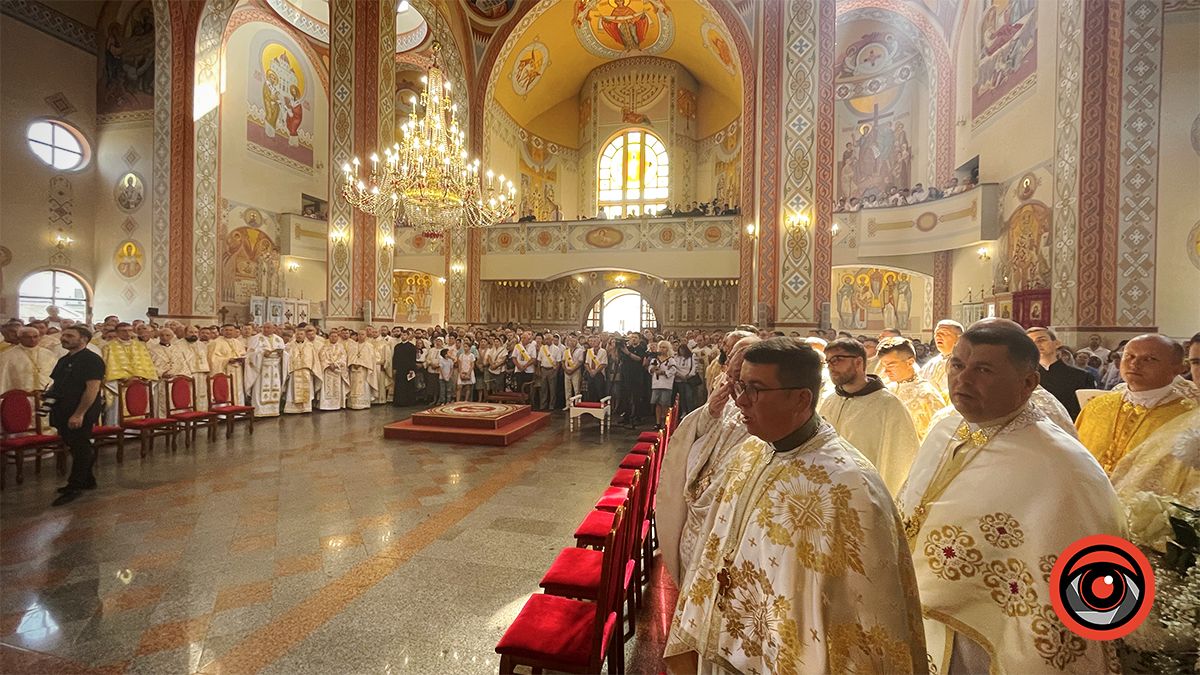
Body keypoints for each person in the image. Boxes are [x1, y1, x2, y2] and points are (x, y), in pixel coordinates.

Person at [664, 338, 927, 674]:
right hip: (724, 646)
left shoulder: (848, 487)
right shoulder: (752, 452)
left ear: (802, 398)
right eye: (740, 386)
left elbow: (867, 620)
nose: (740, 400)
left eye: (755, 390)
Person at [897, 319, 1122, 674]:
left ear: (1028, 382)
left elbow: (1088, 569)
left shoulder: (1063, 465)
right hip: (921, 611)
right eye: (957, 365)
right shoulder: (944, 426)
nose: (962, 379)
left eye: (983, 369)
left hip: (997, 633)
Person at [657, 335, 759, 585]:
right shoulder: (727, 393)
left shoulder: (763, 405)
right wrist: (710, 412)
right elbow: (703, 433)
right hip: (697, 506)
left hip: (725, 517)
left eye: (745, 354)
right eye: (733, 353)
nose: (737, 360)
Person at [1076, 334, 1195, 473]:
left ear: (1178, 368)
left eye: (1149, 359)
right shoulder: (1097, 406)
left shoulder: (1187, 416)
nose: (1134, 364)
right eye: (1129, 356)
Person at [818, 337, 921, 494]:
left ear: (859, 362)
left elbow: (901, 463)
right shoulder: (830, 401)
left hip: (866, 497)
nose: (831, 366)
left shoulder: (888, 405)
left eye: (837, 359)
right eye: (828, 361)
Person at [47, 326, 105, 506]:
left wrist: (79, 414)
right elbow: (57, 384)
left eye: (70, 336)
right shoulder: (65, 359)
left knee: (80, 446)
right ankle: (88, 480)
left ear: (84, 339)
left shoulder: (92, 360)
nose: (64, 338)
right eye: (64, 335)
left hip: (81, 410)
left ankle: (75, 486)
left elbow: (92, 389)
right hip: (63, 409)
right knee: (76, 445)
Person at [877, 336, 944, 440]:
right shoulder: (885, 389)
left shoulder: (927, 395)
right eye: (884, 366)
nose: (886, 371)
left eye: (890, 365)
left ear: (910, 362)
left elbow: (939, 436)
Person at [1027, 326, 1096, 419]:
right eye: (1031, 342)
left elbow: (1089, 410)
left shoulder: (1082, 377)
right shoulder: (1024, 377)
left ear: (1056, 343)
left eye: (1041, 340)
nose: (1036, 345)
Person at [244, 323, 286, 417]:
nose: (266, 329)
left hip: (275, 368)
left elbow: (285, 353)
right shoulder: (256, 338)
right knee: (260, 389)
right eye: (264, 327)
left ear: (274, 329)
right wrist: (262, 354)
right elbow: (250, 354)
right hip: (261, 368)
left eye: (268, 327)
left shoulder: (279, 339)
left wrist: (282, 354)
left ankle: (274, 410)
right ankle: (260, 411)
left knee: (275, 388)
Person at [0, 326, 56, 393]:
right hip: (20, 396)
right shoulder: (7, 355)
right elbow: (3, 379)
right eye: (28, 337)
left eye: (35, 336)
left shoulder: (49, 354)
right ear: (19, 338)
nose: (32, 339)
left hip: (46, 394)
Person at [920, 319, 963, 401]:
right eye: (936, 333)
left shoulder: (965, 362)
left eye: (944, 333)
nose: (938, 337)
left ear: (959, 338)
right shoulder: (931, 364)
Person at [207, 324, 248, 407]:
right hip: (225, 370)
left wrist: (242, 358)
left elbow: (243, 353)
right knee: (227, 389)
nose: (229, 332)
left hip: (237, 370)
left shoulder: (237, 342)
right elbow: (212, 359)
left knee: (237, 389)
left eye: (231, 330)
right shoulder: (216, 343)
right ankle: (224, 410)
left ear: (234, 331)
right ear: (222, 331)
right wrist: (227, 360)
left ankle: (238, 408)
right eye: (226, 330)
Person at [283, 331, 320, 414]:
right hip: (294, 371)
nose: (299, 336)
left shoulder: (310, 346)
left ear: (304, 335)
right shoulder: (289, 346)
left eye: (301, 334)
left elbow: (315, 359)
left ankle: (306, 408)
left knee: (307, 390)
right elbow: (285, 358)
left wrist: (313, 370)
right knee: (292, 390)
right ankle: (292, 409)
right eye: (297, 334)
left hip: (306, 371)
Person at [647, 340, 676, 429]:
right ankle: (658, 422)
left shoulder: (671, 359)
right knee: (657, 404)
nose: (662, 349)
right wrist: (653, 369)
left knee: (665, 404)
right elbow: (650, 369)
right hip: (656, 384)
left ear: (668, 349)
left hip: (666, 385)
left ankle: (665, 423)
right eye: (661, 347)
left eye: (664, 347)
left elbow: (673, 370)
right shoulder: (655, 359)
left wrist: (663, 372)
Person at [346, 332, 378, 410]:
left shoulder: (369, 346)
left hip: (364, 370)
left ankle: (363, 403)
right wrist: (353, 363)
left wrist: (361, 364)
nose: (360, 336)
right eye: (359, 334)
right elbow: (349, 357)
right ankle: (353, 404)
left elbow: (371, 359)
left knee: (364, 385)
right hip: (353, 369)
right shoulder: (352, 346)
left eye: (362, 334)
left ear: (366, 336)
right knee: (354, 385)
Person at [318, 333, 348, 410]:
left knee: (337, 387)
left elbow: (343, 357)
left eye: (335, 336)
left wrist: (335, 364)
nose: (333, 338)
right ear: (329, 337)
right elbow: (322, 357)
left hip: (337, 370)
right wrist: (328, 365)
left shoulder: (341, 347)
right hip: (327, 370)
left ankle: (337, 405)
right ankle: (326, 405)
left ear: (338, 337)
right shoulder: (324, 347)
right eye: (332, 336)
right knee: (327, 387)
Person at [391, 332, 418, 407]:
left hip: (408, 369)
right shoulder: (397, 346)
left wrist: (412, 369)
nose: (403, 336)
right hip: (399, 369)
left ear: (408, 336)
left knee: (408, 385)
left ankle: (408, 402)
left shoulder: (411, 346)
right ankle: (399, 402)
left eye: (405, 335)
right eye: (402, 335)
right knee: (399, 385)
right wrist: (394, 368)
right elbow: (395, 358)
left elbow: (413, 359)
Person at [534, 333, 559, 411]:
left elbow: (558, 362)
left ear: (551, 340)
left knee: (552, 389)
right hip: (544, 369)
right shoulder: (542, 348)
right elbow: (539, 360)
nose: (546, 341)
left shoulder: (556, 349)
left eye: (548, 339)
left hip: (552, 369)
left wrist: (555, 372)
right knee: (543, 389)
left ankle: (551, 405)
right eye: (545, 339)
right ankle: (543, 405)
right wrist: (538, 370)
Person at [561, 334, 584, 408]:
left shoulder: (580, 350)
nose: (572, 343)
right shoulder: (566, 351)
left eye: (574, 341)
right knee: (567, 389)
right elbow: (563, 361)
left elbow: (580, 362)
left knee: (576, 389)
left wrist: (573, 370)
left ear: (576, 342)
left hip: (576, 371)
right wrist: (565, 369)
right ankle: (568, 405)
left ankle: (577, 404)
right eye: (570, 341)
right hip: (567, 371)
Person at [583, 335, 607, 402]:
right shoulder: (589, 351)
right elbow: (586, 363)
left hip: (599, 374)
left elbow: (603, 364)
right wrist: (590, 371)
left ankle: (600, 406)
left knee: (599, 391)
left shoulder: (603, 351)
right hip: (590, 373)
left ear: (599, 342)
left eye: (595, 341)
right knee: (591, 391)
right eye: (592, 341)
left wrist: (595, 371)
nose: (593, 342)